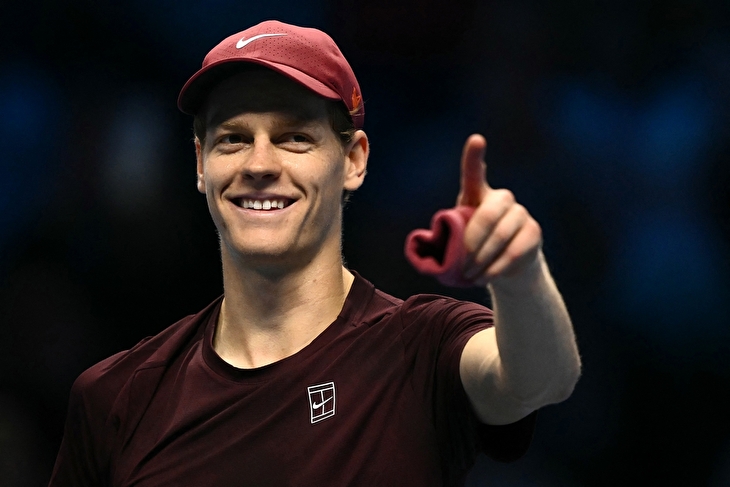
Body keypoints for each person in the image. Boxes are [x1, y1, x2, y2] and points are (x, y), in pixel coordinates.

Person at [49, 20, 581, 486]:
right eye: (232, 138)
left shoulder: (422, 346)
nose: (259, 164)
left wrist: (520, 274)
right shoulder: (117, 396)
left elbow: (539, 381)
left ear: (353, 160)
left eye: (294, 137)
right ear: (200, 164)